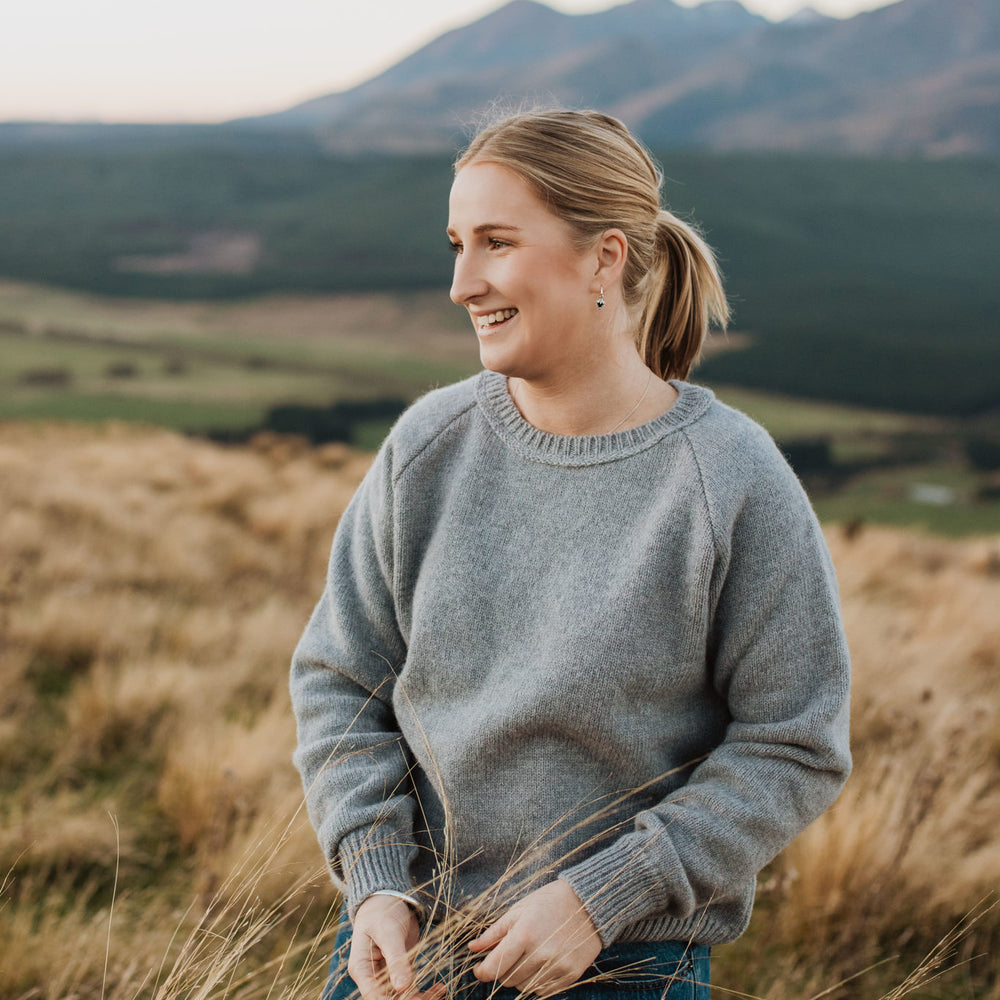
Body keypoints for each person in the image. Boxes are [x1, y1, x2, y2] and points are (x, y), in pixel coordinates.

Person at [290, 109, 851, 1000]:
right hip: (407, 953)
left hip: (622, 963)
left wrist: (603, 899)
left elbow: (794, 741)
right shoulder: (428, 445)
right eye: (456, 245)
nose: (463, 283)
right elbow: (339, 679)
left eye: (498, 243)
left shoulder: (729, 478)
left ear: (605, 257)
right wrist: (377, 882)